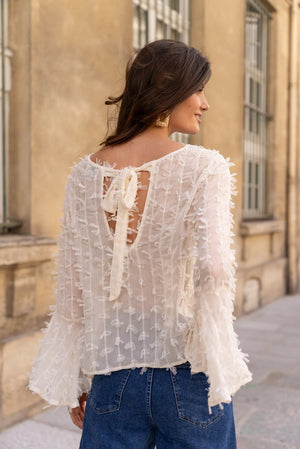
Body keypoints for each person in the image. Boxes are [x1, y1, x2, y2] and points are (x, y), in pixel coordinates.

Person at [29, 39, 252, 449]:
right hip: (188, 369)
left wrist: (78, 377)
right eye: (198, 89)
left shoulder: (84, 174)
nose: (205, 103)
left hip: (113, 373)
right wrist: (218, 359)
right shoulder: (204, 167)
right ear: (169, 89)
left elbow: (73, 292)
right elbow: (216, 269)